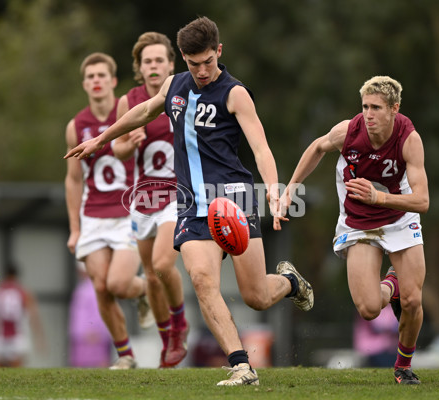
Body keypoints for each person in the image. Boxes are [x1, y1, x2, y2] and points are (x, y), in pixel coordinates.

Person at [65, 17, 314, 386]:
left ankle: (290, 282)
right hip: (192, 206)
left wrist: (274, 191)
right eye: (193, 63)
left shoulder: (235, 93)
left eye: (207, 62)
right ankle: (242, 366)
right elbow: (143, 112)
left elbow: (260, 148)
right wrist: (102, 139)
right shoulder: (175, 85)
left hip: (235, 200)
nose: (200, 71)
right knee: (200, 279)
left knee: (257, 296)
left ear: (219, 51)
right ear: (182, 57)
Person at [280, 76, 428, 384]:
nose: (368, 114)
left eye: (376, 107)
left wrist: (379, 197)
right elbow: (317, 147)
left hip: (399, 217)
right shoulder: (349, 131)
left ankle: (403, 366)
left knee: (414, 301)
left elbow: (423, 201)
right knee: (369, 309)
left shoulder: (408, 138)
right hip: (358, 222)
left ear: (395, 109)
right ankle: (392, 285)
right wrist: (291, 188)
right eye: (365, 106)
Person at [65, 52, 155, 370]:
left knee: (118, 284)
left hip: (127, 214)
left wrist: (130, 142)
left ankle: (145, 289)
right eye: (90, 77)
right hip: (92, 217)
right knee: (100, 286)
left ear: (113, 81)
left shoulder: (128, 112)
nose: (96, 81)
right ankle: (126, 355)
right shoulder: (77, 126)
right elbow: (74, 180)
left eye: (102, 75)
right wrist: (75, 228)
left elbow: (130, 153)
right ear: (84, 84)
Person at [112, 32, 188, 368]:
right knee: (151, 276)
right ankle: (167, 343)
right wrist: (131, 142)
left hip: (177, 193)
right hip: (143, 196)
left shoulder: (183, 92)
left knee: (161, 264)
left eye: (160, 59)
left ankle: (180, 323)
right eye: (148, 61)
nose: (154, 66)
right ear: (139, 68)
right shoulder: (129, 101)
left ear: (171, 64)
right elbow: (117, 147)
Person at [0, 263, 46, 367]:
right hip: (17, 336)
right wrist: (40, 338)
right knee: (17, 371)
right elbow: (33, 315)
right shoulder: (23, 291)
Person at [68, 263, 113, 368]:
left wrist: (95, 330)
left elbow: (99, 311)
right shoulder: (83, 287)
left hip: (92, 335)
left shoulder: (94, 288)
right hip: (81, 335)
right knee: (80, 363)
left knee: (99, 362)